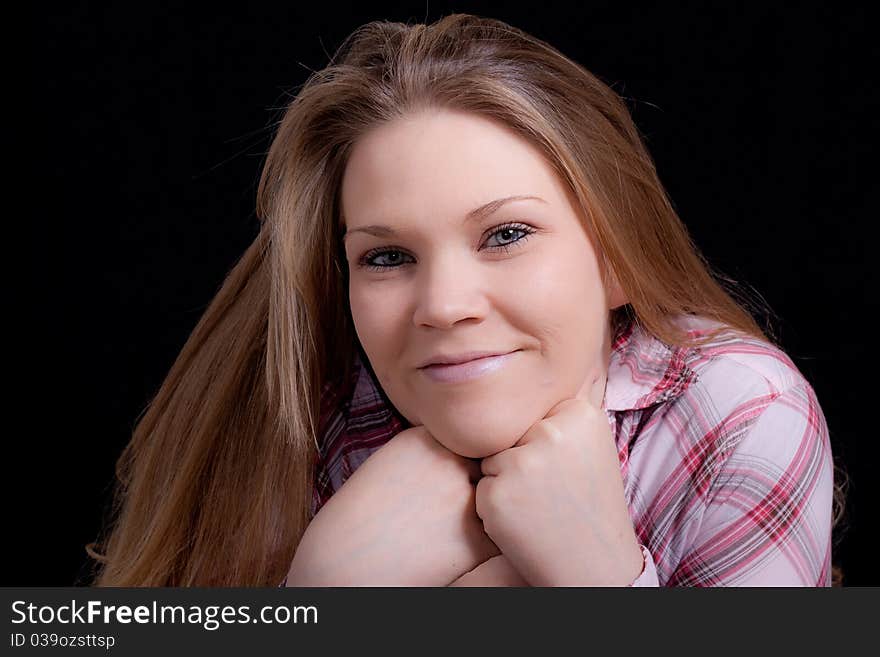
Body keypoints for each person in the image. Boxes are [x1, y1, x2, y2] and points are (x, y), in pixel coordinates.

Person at [86, 13, 846, 587]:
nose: (444, 307)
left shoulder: (740, 412)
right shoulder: (300, 409)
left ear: (618, 258)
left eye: (507, 233)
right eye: (387, 256)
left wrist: (601, 583)